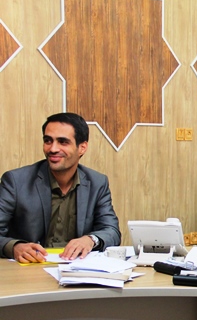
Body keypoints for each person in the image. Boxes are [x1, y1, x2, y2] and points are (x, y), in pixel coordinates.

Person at [0, 112, 121, 263]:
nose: (53, 149)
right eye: (48, 141)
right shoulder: (16, 181)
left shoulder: (97, 183)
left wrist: (90, 239)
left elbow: (112, 231)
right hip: (30, 268)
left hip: (77, 269)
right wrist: (14, 247)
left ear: (82, 148)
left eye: (63, 142)